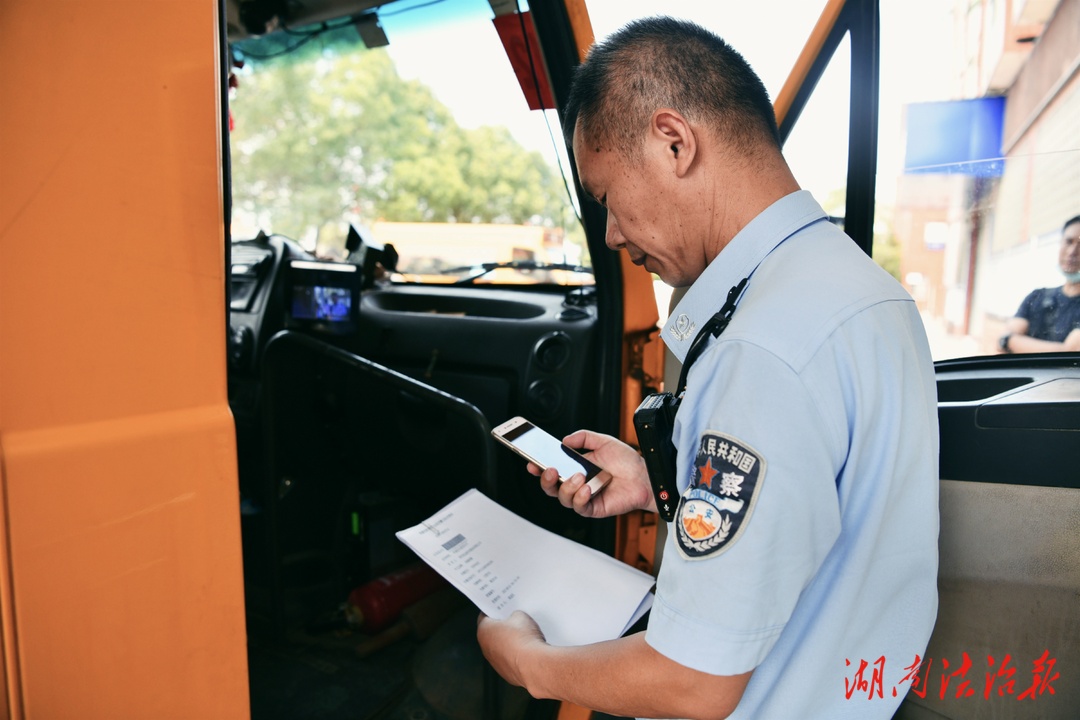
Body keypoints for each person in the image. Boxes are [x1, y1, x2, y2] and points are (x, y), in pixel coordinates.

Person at [476, 16, 939, 720]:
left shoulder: (761, 347)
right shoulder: (858, 288)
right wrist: (666, 486)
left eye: (606, 198)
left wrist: (529, 664)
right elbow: (814, 511)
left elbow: (694, 682)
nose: (611, 234)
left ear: (674, 142)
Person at [999, 215, 1080, 353]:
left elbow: (1071, 352)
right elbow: (1001, 342)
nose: (1072, 252)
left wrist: (1012, 341)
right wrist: (1007, 340)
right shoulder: (1037, 296)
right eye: (1069, 241)